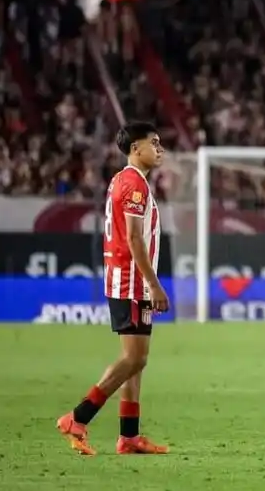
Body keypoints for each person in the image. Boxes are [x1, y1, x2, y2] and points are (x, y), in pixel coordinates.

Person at [56, 121, 170, 456]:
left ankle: (129, 436)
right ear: (136, 148)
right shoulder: (134, 184)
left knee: (138, 361)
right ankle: (77, 418)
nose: (159, 148)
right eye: (154, 142)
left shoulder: (124, 180)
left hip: (129, 279)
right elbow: (134, 238)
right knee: (133, 357)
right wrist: (153, 284)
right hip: (131, 282)